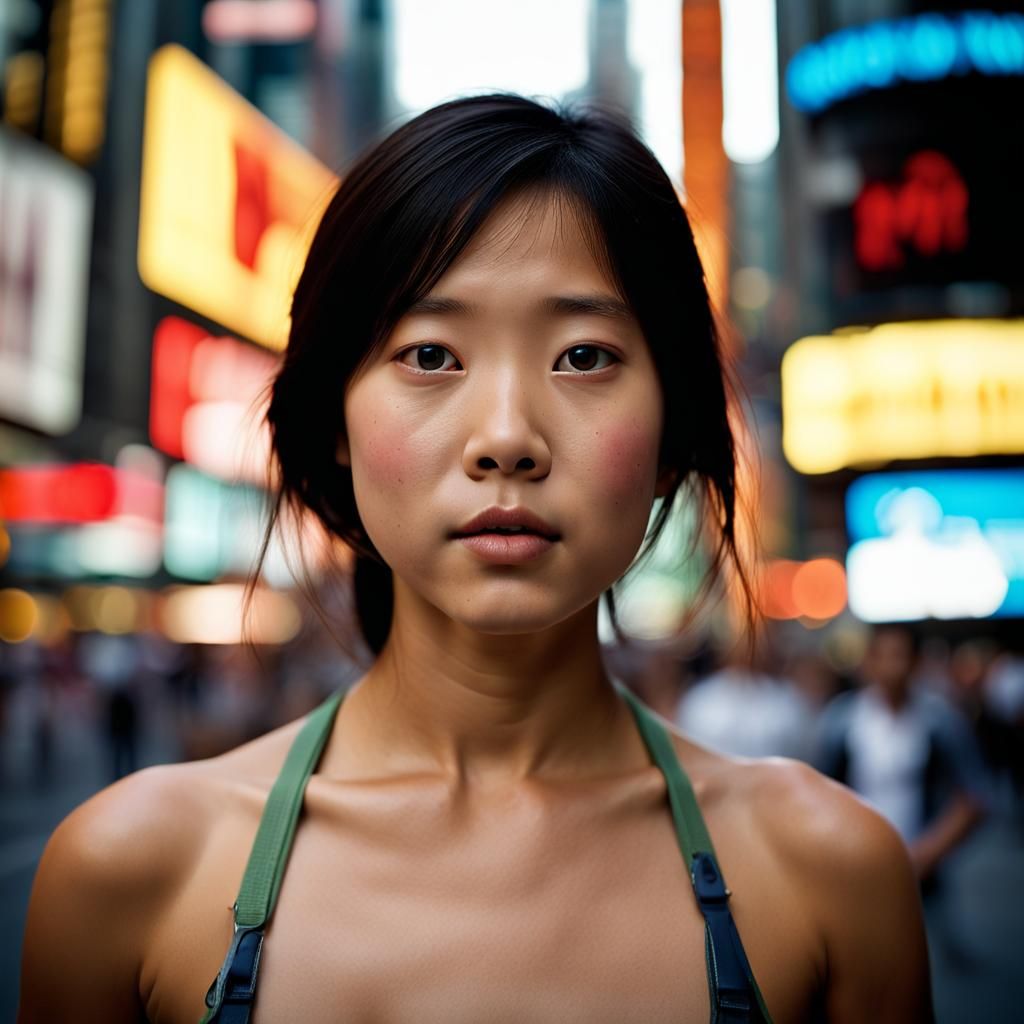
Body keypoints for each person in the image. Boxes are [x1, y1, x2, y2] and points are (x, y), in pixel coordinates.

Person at [18, 95, 931, 1023]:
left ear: (673, 433)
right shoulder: (131, 873)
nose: (506, 438)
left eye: (582, 356)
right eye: (429, 354)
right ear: (335, 418)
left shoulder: (827, 876)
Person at [816, 625, 988, 885]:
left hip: (921, 866)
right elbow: (820, 792)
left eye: (899, 656)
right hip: (856, 862)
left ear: (915, 662)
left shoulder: (939, 720)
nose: (890, 668)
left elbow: (972, 796)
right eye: (881, 656)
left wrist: (928, 852)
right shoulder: (842, 720)